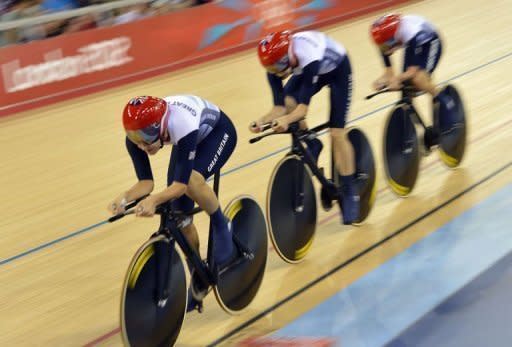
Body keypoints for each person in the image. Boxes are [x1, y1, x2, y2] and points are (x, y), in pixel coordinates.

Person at [108, 95, 237, 311]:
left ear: (160, 125)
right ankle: (198, 277)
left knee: (192, 182)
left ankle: (221, 223)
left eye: (146, 136)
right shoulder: (137, 138)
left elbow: (180, 186)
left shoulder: (181, 124)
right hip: (188, 141)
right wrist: (124, 198)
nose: (141, 144)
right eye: (135, 136)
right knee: (180, 217)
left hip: (217, 133)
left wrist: (153, 200)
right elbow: (146, 183)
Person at [250, 30, 359, 225]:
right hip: (306, 69)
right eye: (270, 68)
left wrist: (286, 120)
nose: (275, 72)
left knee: (337, 133)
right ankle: (312, 142)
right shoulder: (273, 65)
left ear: (287, 55)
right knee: (288, 102)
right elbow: (279, 108)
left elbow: (302, 111)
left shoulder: (307, 55)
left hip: (338, 70)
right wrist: (262, 121)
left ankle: (350, 190)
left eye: (277, 66)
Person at [370, 13, 450, 150]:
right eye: (381, 46)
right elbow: (389, 73)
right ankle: (416, 132)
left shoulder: (409, 32)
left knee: (419, 80)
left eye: (386, 45)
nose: (384, 49)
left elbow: (412, 72)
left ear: (393, 37)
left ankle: (446, 102)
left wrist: (396, 80)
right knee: (407, 93)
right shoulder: (382, 40)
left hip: (430, 42)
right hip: (411, 45)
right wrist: (382, 81)